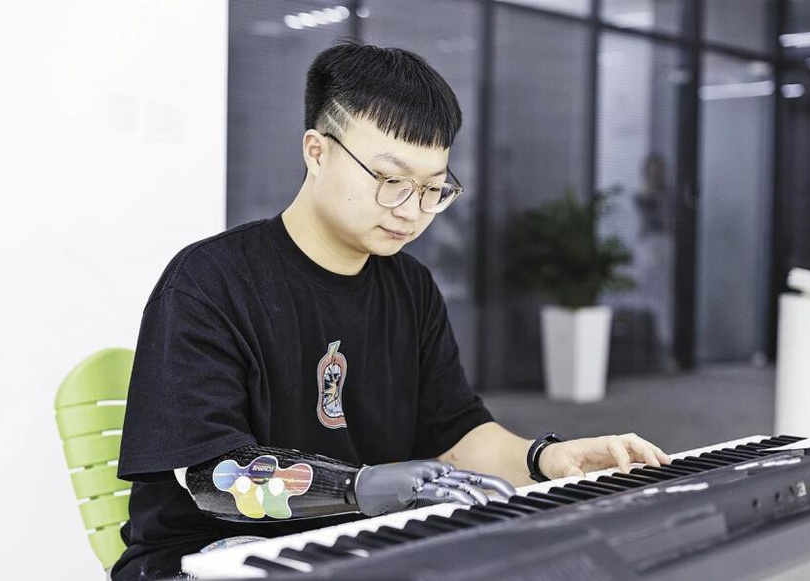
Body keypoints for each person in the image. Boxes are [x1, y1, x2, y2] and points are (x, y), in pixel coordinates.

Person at [111, 40, 671, 581]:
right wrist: (360, 486)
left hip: (362, 544)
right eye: (390, 179)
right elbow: (214, 477)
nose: (412, 210)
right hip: (205, 556)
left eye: (433, 188)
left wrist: (544, 459)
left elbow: (456, 433)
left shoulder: (411, 286)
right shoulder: (210, 282)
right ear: (317, 151)